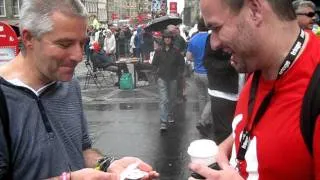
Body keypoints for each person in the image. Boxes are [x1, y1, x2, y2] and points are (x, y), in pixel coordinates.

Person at [0, 0, 159, 179]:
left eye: (82, 43)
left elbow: (81, 150)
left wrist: (110, 164)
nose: (78, 56)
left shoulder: (69, 85)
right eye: (65, 44)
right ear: (29, 38)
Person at [189, 0, 320, 179]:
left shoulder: (314, 86)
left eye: (216, 28)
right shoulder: (258, 65)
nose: (214, 44)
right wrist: (227, 146)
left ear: (255, 11)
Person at [152, 30, 185, 132]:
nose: (167, 39)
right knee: (164, 99)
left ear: (171, 39)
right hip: (162, 77)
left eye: (169, 38)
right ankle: (163, 121)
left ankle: (170, 114)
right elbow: (154, 64)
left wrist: (179, 74)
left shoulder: (176, 50)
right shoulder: (158, 51)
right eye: (165, 37)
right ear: (163, 39)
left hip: (173, 78)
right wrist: (156, 75)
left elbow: (181, 64)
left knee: (172, 99)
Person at [185, 17, 212, 138]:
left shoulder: (193, 39)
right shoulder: (210, 38)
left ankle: (206, 121)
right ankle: (203, 120)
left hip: (197, 72)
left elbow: (189, 57)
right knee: (212, 99)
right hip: (208, 72)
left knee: (201, 98)